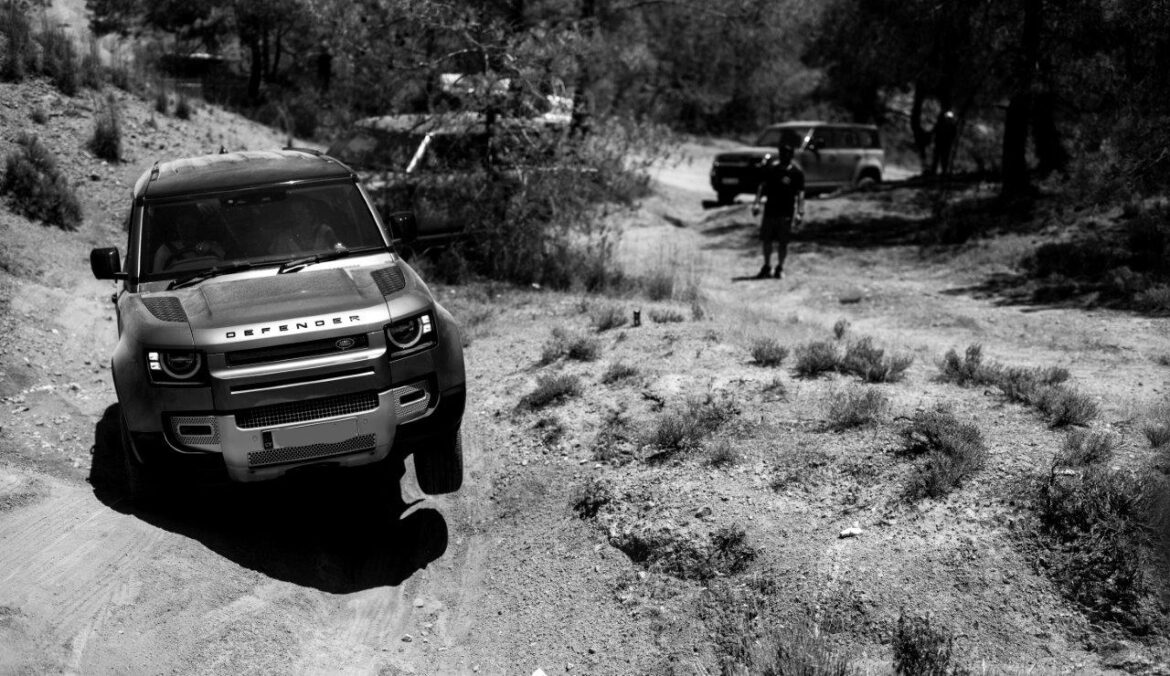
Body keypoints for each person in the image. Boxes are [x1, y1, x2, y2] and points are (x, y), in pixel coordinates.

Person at [751, 142, 804, 279]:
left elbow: (800, 193)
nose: (784, 156)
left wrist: (800, 212)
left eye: (787, 154)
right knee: (767, 240)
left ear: (791, 155)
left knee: (783, 242)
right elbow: (762, 186)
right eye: (782, 153)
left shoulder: (796, 173)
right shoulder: (772, 170)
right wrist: (757, 203)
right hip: (770, 210)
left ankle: (780, 267)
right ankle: (767, 266)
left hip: (786, 211)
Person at [153, 208, 225, 272]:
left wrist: (210, 251)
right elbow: (156, 279)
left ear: (196, 225)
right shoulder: (165, 250)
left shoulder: (211, 246)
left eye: (189, 225)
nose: (185, 229)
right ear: (176, 226)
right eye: (181, 224)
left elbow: (225, 267)